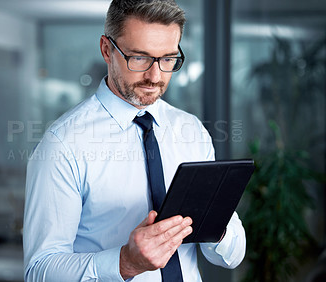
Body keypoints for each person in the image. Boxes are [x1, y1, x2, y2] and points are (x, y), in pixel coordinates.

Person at [23, 0, 246, 281]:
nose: (155, 76)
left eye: (168, 59)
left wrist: (216, 224)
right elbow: (39, 271)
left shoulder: (192, 131)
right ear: (107, 49)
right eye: (139, 58)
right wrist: (124, 263)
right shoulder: (63, 144)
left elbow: (232, 256)